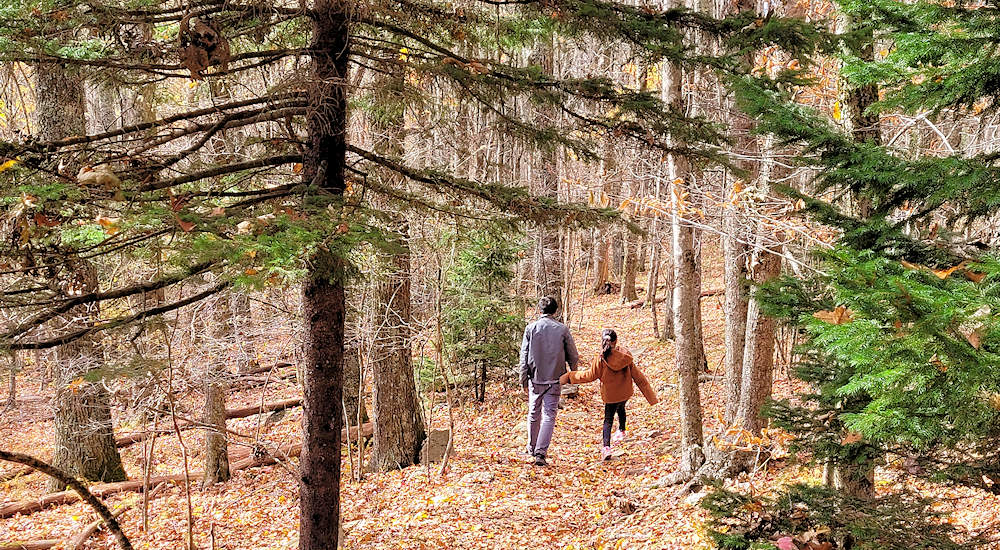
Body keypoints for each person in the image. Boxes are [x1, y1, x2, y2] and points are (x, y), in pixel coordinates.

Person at [559, 328, 658, 461]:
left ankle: (606, 447)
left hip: (610, 396)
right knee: (621, 408)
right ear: (616, 341)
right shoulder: (626, 357)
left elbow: (588, 376)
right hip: (625, 393)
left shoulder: (601, 359)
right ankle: (622, 430)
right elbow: (639, 378)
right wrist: (652, 398)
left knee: (608, 419)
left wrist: (569, 376)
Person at [519, 296, 579, 466]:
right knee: (549, 415)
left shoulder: (531, 328)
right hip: (555, 378)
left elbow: (523, 356)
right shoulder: (562, 329)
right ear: (556, 311)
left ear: (540, 310)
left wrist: (523, 378)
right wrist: (573, 374)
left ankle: (532, 448)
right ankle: (540, 452)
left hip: (535, 378)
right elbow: (573, 355)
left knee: (533, 412)